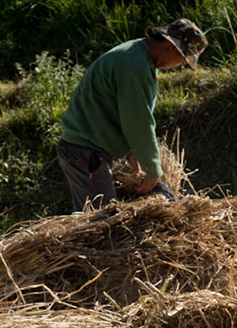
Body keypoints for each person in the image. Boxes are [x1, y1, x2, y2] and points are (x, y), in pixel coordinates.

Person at [55, 17, 207, 211]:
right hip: (85, 150)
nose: (178, 67)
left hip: (85, 148)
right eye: (182, 61)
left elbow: (118, 110)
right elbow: (138, 122)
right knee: (100, 219)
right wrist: (153, 171)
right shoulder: (135, 66)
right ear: (171, 47)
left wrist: (132, 153)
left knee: (97, 216)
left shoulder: (138, 55)